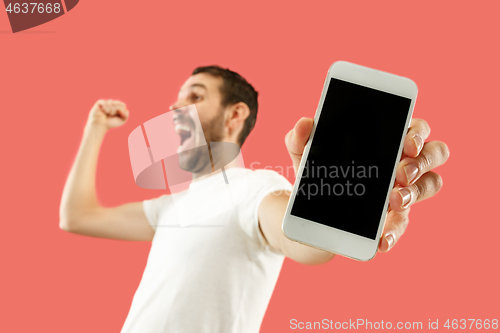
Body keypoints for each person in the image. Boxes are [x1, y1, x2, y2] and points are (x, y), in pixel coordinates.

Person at [59, 66, 450, 332]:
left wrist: (333, 202)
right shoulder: (172, 206)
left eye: (193, 96)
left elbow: (304, 243)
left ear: (235, 114)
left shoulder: (253, 189)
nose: (174, 107)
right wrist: (95, 128)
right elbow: (77, 217)